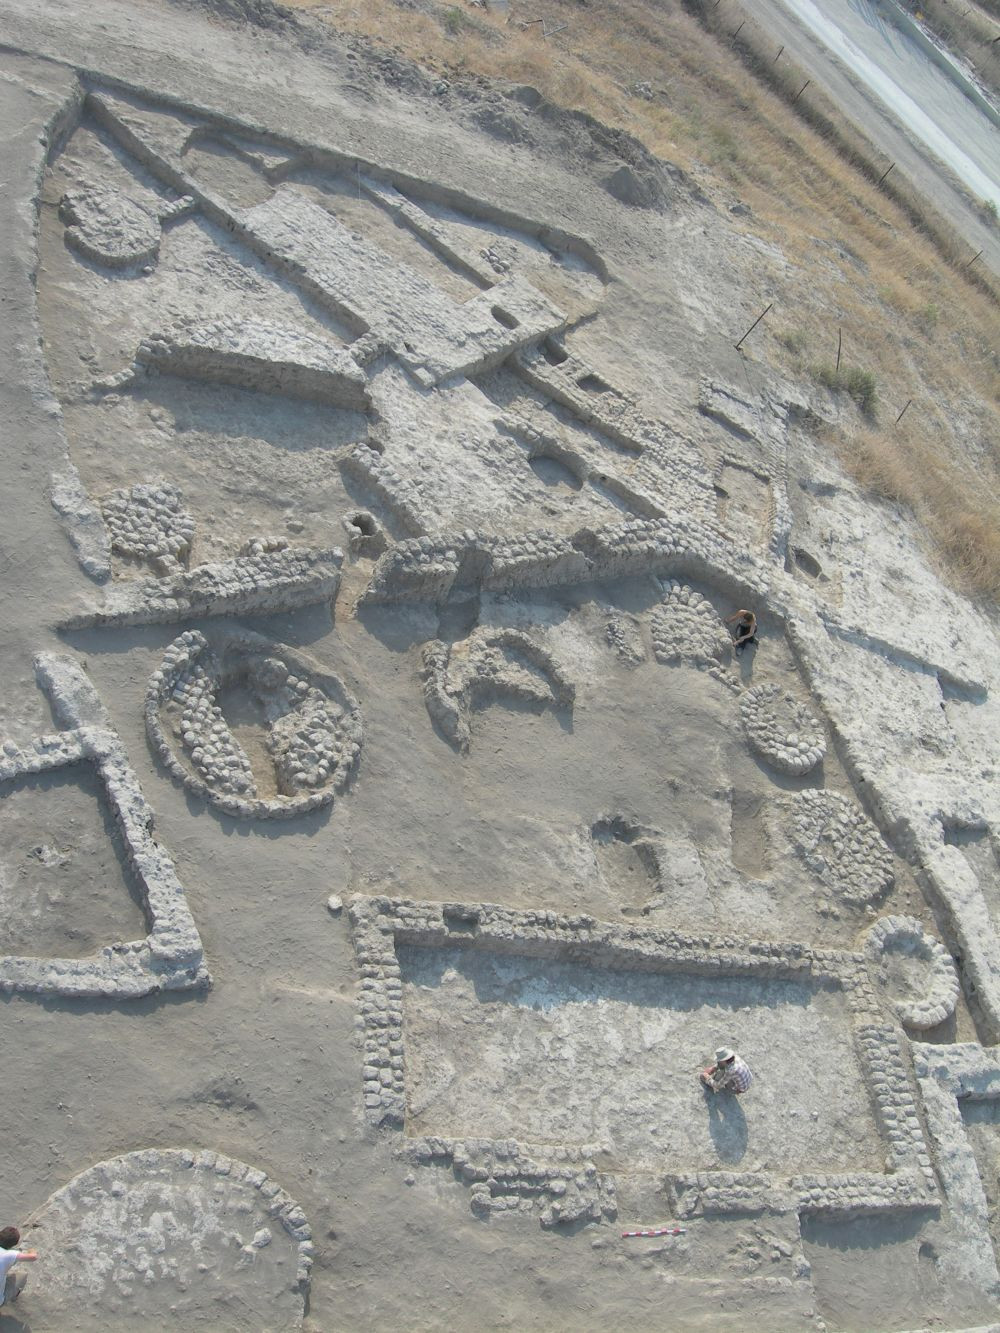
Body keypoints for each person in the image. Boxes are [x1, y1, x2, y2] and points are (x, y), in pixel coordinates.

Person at [0, 1226, 38, 1309]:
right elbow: (33, 1257)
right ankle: (13, 1299)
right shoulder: (10, 1254)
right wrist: (32, 1250)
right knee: (23, 1275)